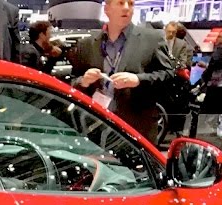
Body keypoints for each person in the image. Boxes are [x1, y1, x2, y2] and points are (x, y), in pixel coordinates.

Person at [70, 0, 174, 141]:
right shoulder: (87, 45)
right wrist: (83, 81)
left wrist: (138, 80)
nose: (126, 8)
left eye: (130, 3)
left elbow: (168, 76)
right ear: (106, 9)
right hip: (94, 128)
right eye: (120, 3)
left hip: (136, 130)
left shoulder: (152, 39)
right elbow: (72, 81)